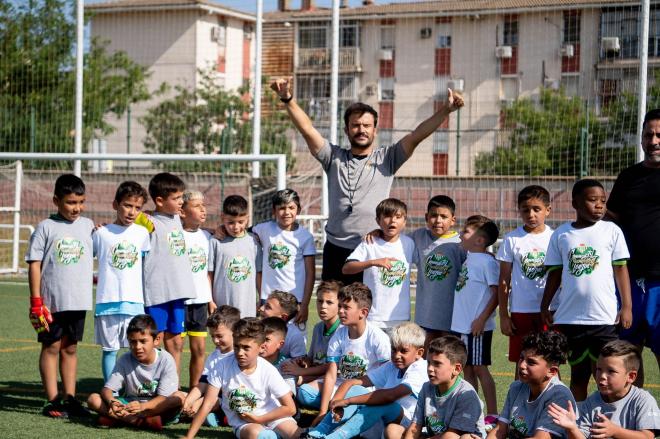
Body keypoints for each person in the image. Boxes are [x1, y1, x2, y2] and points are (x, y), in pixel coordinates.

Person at [270, 77, 464, 285]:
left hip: (372, 248)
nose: (361, 130)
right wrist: (287, 99)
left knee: (368, 312)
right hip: (336, 249)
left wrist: (446, 110)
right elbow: (308, 130)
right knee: (334, 311)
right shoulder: (332, 157)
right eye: (355, 125)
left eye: (366, 125)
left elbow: (417, 135)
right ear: (346, 130)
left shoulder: (389, 158)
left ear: (375, 130)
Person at [541, 178, 632, 401]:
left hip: (604, 319)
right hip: (571, 319)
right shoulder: (561, 234)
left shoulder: (612, 231)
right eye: (592, 200)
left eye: (603, 200)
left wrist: (627, 306)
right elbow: (554, 273)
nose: (599, 205)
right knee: (578, 377)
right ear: (575, 203)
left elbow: (621, 270)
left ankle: (610, 424)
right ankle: (578, 424)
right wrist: (545, 305)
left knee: (607, 376)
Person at [26, 174, 94, 418]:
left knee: (71, 348)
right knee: (51, 346)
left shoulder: (88, 225)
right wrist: (36, 301)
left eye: (80, 202)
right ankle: (52, 400)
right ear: (56, 200)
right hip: (51, 302)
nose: (76, 208)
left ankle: (70, 398)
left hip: (79, 299)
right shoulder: (46, 227)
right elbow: (34, 264)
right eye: (70, 202)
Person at [606, 108, 660, 385]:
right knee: (627, 356)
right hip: (628, 281)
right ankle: (632, 417)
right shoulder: (628, 178)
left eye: (659, 135)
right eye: (648, 134)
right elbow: (609, 221)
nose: (654, 141)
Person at [304, 322, 428, 439]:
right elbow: (351, 382)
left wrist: (347, 401)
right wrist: (336, 403)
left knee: (381, 402)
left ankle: (334, 437)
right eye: (394, 350)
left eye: (404, 351)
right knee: (356, 389)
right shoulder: (391, 366)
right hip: (387, 417)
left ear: (419, 353)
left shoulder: (420, 368)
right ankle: (317, 433)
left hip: (409, 424)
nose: (396, 355)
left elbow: (390, 396)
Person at [184, 318, 301, 439]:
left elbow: (290, 408)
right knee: (260, 435)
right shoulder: (222, 366)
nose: (240, 352)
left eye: (246, 348)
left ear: (261, 347)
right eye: (237, 346)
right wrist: (189, 437)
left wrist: (259, 418)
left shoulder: (268, 370)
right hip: (245, 424)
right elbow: (207, 404)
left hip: (273, 417)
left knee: (296, 434)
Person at [297, 283, 391, 426]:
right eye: (340, 306)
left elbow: (387, 375)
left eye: (346, 307)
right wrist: (322, 411)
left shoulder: (378, 337)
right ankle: (334, 409)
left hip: (364, 390)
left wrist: (378, 399)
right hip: (339, 387)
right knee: (305, 392)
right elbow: (331, 374)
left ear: (363, 312)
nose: (340, 311)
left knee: (344, 408)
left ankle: (343, 412)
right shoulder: (339, 335)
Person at [92, 181, 151, 382]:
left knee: (137, 350)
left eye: (137, 208)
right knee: (110, 351)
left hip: (134, 303)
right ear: (115, 204)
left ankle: (133, 391)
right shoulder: (101, 233)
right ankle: (112, 393)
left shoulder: (143, 234)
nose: (132, 212)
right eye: (127, 205)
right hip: (107, 303)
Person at [87, 314, 185, 431]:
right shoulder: (125, 359)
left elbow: (163, 398)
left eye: (143, 341)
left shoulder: (166, 359)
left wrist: (143, 407)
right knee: (93, 399)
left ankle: (119, 418)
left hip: (156, 407)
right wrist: (112, 401)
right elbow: (107, 390)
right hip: (130, 405)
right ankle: (137, 421)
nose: (137, 347)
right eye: (133, 342)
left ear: (157, 340)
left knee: (178, 397)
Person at [496, 185, 554, 378]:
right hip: (521, 310)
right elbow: (504, 280)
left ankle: (553, 403)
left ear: (548, 210)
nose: (531, 214)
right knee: (523, 362)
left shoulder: (556, 238)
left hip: (551, 310)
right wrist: (504, 315)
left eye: (536, 209)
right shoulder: (512, 239)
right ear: (519, 210)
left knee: (550, 361)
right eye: (525, 209)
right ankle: (517, 406)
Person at [548, 340, 660, 439]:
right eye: (599, 369)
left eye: (611, 371)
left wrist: (615, 431)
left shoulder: (643, 400)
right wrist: (572, 428)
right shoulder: (592, 402)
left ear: (630, 376)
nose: (602, 376)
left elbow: (647, 436)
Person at [142, 172, 195, 376]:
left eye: (182, 197)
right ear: (159, 201)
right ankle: (152, 384)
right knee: (155, 341)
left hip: (178, 292)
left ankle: (171, 386)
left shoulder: (176, 218)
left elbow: (197, 223)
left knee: (177, 342)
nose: (181, 201)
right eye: (176, 198)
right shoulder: (147, 221)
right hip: (157, 294)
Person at [450, 215, 500, 422]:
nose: (461, 234)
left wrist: (481, 319)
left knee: (480, 369)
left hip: (476, 328)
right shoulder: (470, 257)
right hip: (462, 326)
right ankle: (474, 411)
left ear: (480, 240)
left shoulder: (488, 263)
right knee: (467, 369)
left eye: (466, 231)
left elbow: (497, 293)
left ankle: (492, 414)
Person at [488, 331, 575, 439]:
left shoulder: (559, 396)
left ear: (552, 371)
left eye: (531, 362)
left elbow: (540, 438)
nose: (522, 365)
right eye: (521, 358)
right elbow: (500, 430)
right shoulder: (516, 387)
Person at [343, 198, 414, 330]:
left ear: (404, 221)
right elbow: (346, 268)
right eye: (387, 216)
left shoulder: (409, 243)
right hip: (373, 318)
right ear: (378, 221)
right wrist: (373, 262)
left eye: (398, 217)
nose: (392, 221)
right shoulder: (370, 243)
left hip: (401, 317)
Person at [252, 189, 315, 325]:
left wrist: (304, 305)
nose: (286, 212)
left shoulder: (305, 237)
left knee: (294, 341)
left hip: (295, 301)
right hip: (268, 300)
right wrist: (220, 230)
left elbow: (310, 273)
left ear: (298, 210)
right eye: (281, 208)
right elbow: (240, 232)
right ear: (273, 211)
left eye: (291, 208)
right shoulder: (264, 229)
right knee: (268, 341)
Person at [404, 335, 486, 439]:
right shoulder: (426, 388)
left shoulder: (466, 395)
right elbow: (415, 426)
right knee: (393, 430)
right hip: (436, 436)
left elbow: (451, 434)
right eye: (429, 362)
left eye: (437, 364)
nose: (430, 368)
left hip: (456, 436)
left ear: (456, 369)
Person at [410, 195, 462, 348]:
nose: (438, 220)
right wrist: (377, 233)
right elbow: (393, 241)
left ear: (453, 220)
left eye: (444, 216)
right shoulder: (418, 237)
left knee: (449, 354)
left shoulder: (460, 243)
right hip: (425, 313)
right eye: (433, 215)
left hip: (452, 313)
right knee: (425, 354)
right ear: (426, 217)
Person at [182, 305, 240, 427]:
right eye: (212, 336)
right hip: (214, 399)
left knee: (213, 400)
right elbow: (202, 384)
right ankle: (217, 417)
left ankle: (223, 417)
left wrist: (200, 402)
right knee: (181, 398)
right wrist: (188, 400)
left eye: (219, 336)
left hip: (233, 399)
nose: (215, 340)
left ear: (235, 332)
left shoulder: (240, 356)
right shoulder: (213, 356)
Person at [180, 190, 214, 389]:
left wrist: (210, 299)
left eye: (204, 205)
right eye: (196, 206)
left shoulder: (208, 237)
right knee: (176, 348)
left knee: (199, 349)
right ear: (182, 212)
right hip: (180, 301)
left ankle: (194, 391)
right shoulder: (175, 234)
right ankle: (171, 392)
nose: (203, 210)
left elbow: (208, 273)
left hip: (200, 301)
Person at [209, 195, 262, 317]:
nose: (236, 227)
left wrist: (261, 298)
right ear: (222, 218)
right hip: (222, 307)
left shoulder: (254, 241)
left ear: (247, 218)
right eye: (231, 222)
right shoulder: (215, 241)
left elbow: (259, 273)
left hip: (247, 307)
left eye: (241, 222)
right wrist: (210, 300)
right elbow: (209, 274)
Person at [281, 280, 342, 384]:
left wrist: (302, 373)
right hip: (315, 375)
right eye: (320, 301)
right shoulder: (318, 328)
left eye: (329, 302)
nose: (323, 306)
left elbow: (334, 367)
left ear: (340, 305)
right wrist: (303, 362)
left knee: (304, 392)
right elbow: (312, 359)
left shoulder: (342, 330)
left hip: (332, 379)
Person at [259, 290, 308, 360]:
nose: (261, 308)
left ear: (283, 317)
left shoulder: (294, 335)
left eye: (268, 307)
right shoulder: (257, 327)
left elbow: (299, 362)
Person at [261, 316, 297, 395]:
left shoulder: (286, 365)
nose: (262, 343)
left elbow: (290, 393)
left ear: (280, 344)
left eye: (267, 340)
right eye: (260, 338)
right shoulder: (253, 361)